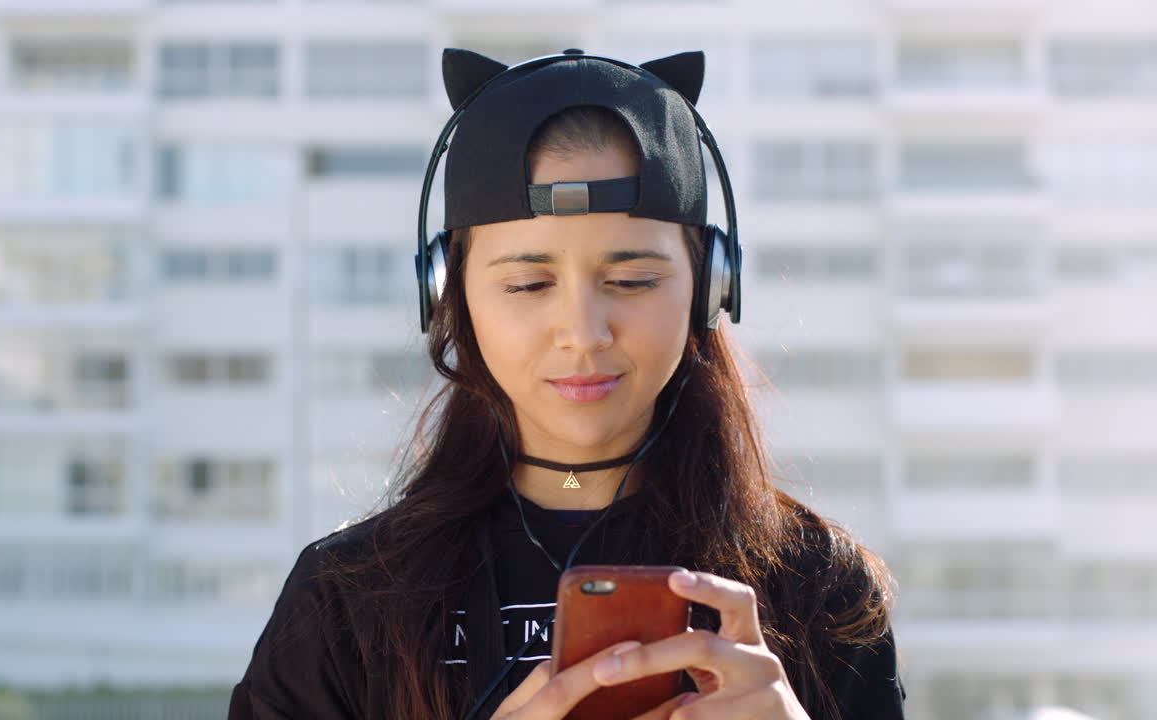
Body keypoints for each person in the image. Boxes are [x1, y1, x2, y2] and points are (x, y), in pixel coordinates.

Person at [228, 47, 907, 720]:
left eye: (632, 280)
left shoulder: (820, 587)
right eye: (529, 283)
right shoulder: (348, 601)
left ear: (710, 289)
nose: (582, 332)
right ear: (450, 300)